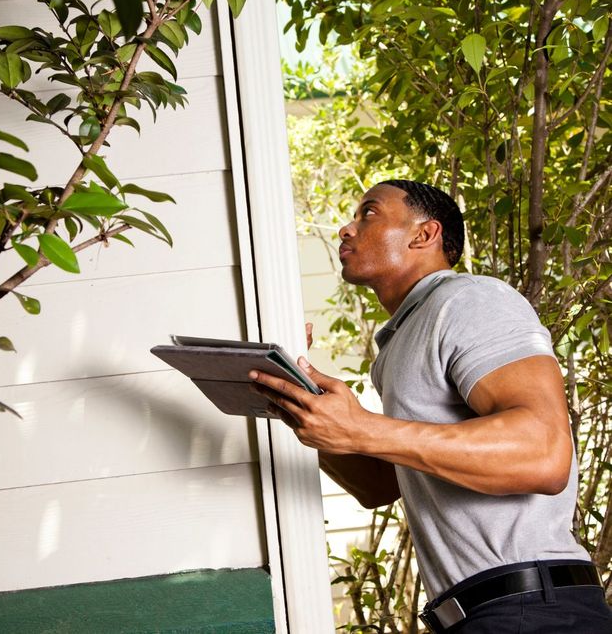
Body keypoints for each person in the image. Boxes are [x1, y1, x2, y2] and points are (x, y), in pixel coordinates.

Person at [249, 180, 612, 633]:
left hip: (533, 609)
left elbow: (544, 453)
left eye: (368, 213)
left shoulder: (470, 299)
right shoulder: (400, 344)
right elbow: (380, 485)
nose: (346, 229)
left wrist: (362, 429)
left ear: (424, 235)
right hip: (478, 613)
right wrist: (302, 404)